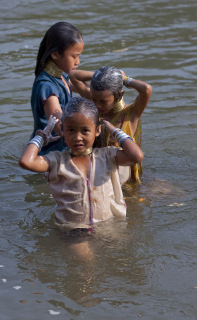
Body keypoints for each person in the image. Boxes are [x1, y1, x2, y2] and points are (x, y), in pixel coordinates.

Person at [19, 97, 144, 231]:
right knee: (84, 252)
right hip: (73, 228)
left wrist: (115, 131)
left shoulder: (107, 156)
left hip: (108, 226)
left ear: (97, 131)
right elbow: (26, 162)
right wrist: (42, 136)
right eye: (71, 130)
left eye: (85, 131)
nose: (77, 137)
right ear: (62, 130)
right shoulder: (57, 160)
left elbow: (136, 156)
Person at [69, 66, 151, 182]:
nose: (98, 105)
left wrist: (124, 79)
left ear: (119, 95)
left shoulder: (131, 113)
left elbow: (146, 89)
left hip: (123, 176)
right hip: (97, 172)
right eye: (94, 99)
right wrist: (103, 76)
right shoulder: (96, 102)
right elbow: (73, 75)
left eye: (103, 102)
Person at [30, 21, 84, 154]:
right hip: (53, 152)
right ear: (55, 54)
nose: (78, 61)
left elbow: (79, 83)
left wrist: (103, 82)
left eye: (79, 56)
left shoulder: (61, 76)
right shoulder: (47, 87)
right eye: (74, 56)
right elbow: (60, 126)